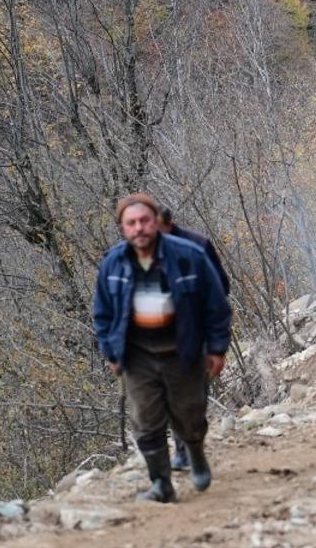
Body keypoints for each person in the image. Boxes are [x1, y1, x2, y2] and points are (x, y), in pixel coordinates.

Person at [92, 193, 231, 503]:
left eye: (144, 220)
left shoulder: (189, 255)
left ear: (156, 221)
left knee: (189, 413)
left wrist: (217, 348)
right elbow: (102, 313)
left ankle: (195, 453)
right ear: (122, 228)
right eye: (131, 223)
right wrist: (111, 351)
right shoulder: (113, 263)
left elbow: (216, 304)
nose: (139, 228)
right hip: (137, 355)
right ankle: (161, 484)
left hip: (183, 349)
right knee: (145, 420)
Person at [158, 206, 230, 472]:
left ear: (167, 223)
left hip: (197, 332)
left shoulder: (197, 245)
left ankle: (193, 445)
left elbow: (221, 288)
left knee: (193, 395)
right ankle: (183, 450)